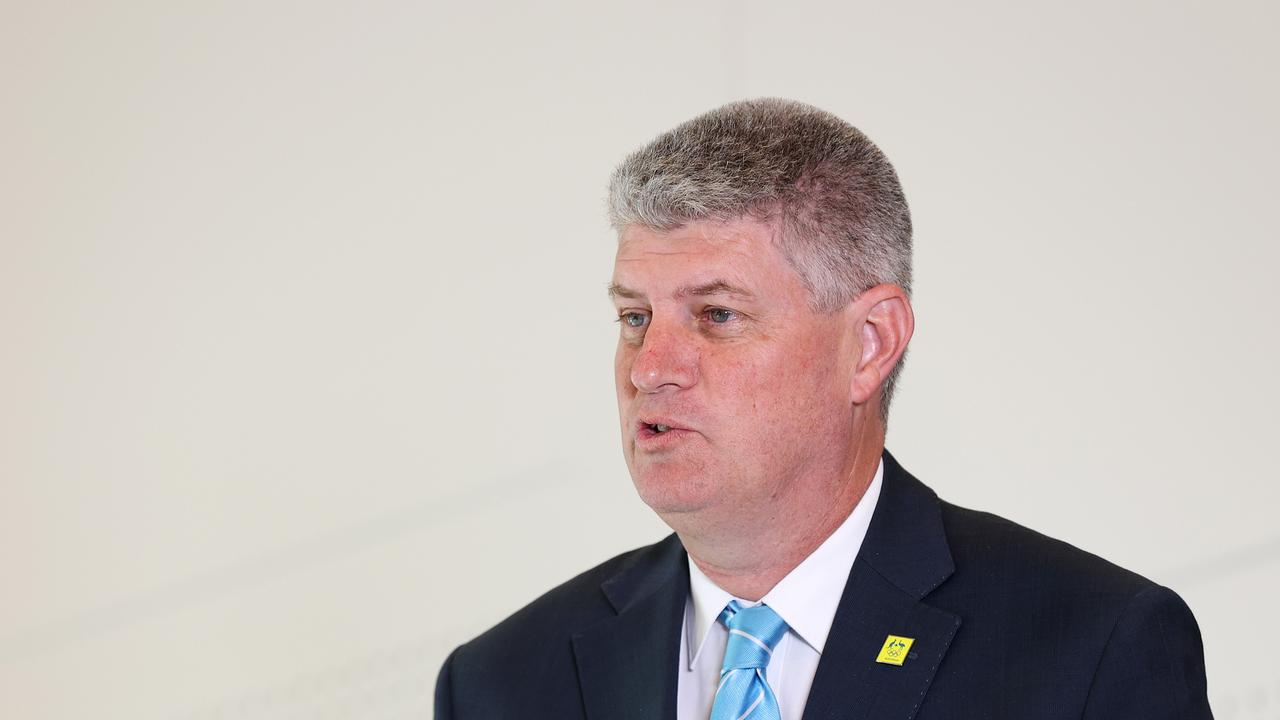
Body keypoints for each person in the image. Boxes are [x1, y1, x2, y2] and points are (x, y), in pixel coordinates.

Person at [433, 98, 1213, 719]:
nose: (652, 368)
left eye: (716, 316)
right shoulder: (498, 686)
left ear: (870, 344)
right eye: (635, 317)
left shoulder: (1089, 649)